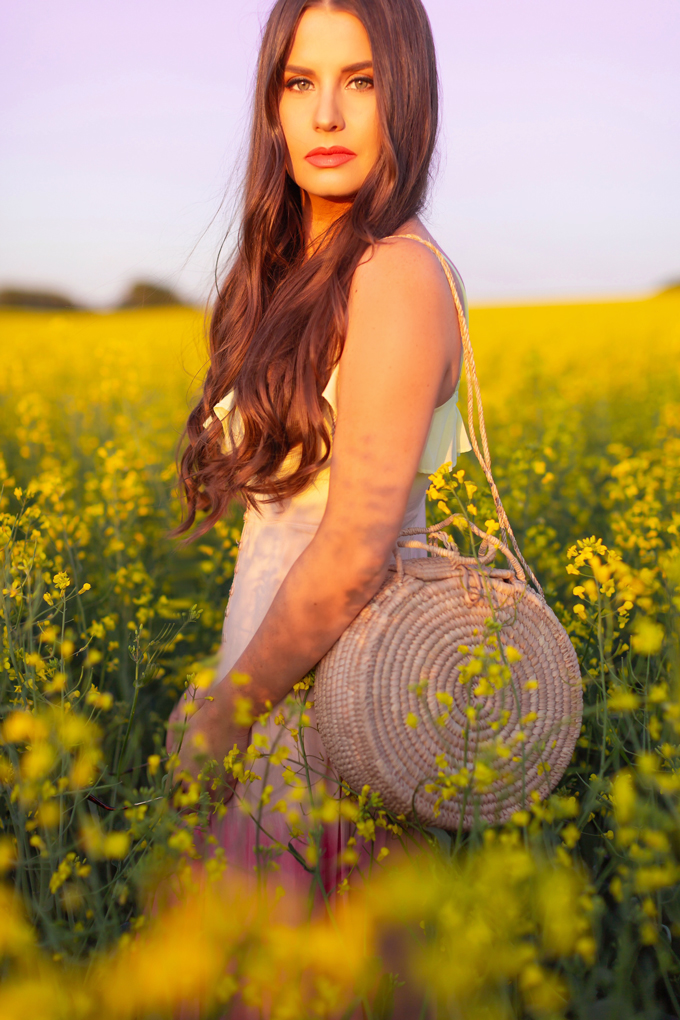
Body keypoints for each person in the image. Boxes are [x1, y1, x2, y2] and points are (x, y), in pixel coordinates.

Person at [167, 0, 471, 896]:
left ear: (406, 97)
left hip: (337, 717)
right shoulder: (313, 269)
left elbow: (349, 552)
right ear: (273, 105)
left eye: (362, 81)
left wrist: (225, 716)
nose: (327, 115)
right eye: (301, 82)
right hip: (280, 688)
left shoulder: (397, 276)